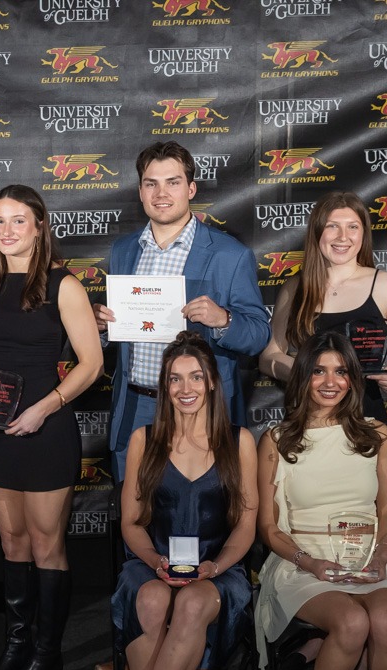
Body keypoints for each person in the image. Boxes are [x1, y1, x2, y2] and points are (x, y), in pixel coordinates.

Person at [91, 334, 257, 670]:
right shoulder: (145, 439)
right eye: (174, 378)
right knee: (148, 600)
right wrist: (153, 559)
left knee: (189, 605)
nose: (186, 388)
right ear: (163, 387)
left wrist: (216, 567)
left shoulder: (237, 441)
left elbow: (246, 524)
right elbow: (130, 523)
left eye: (196, 377)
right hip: (152, 559)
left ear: (212, 383)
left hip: (217, 568)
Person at [254, 333, 387, 670]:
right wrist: (310, 562)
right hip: (302, 560)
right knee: (350, 622)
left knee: (385, 618)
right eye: (319, 370)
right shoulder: (278, 439)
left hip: (370, 555)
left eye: (340, 371)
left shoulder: (375, 433)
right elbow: (269, 529)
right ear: (302, 377)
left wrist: (382, 555)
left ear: (353, 378)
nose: (330, 381)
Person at [0, 185, 103, 670]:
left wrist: (43, 410)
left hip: (46, 432)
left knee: (47, 543)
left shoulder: (63, 285)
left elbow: (92, 365)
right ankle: (15, 646)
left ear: (39, 226)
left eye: (18, 220)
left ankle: (47, 654)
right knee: (12, 541)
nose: (6, 230)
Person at [97, 140, 268, 479]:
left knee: (203, 510)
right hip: (137, 403)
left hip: (200, 408)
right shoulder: (124, 250)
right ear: (141, 192)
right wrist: (101, 329)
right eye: (151, 183)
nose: (161, 193)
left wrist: (224, 320)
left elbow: (258, 334)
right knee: (134, 509)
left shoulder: (229, 255)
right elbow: (120, 334)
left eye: (172, 182)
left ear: (190, 188)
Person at [260, 192, 387, 421]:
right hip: (308, 418)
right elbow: (268, 357)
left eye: (353, 227)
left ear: (364, 233)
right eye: (333, 226)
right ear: (317, 232)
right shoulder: (295, 288)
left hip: (365, 415)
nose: (343, 237)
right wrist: (307, 373)